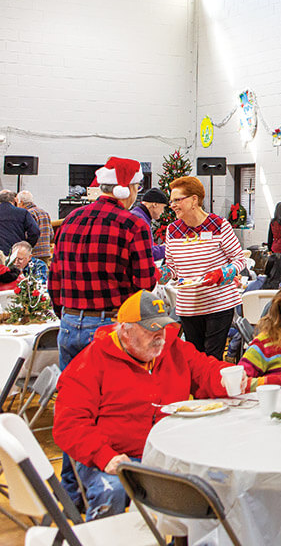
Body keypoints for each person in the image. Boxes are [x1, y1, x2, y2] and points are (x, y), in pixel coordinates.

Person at [53, 289, 246, 520]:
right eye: (151, 329)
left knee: (222, 483)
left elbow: (206, 371)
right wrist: (105, 456)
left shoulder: (173, 349)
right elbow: (69, 424)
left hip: (171, 452)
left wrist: (229, 376)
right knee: (111, 491)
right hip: (115, 456)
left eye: (163, 327)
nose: (160, 336)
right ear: (125, 330)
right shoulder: (89, 363)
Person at [48, 156, 158, 506]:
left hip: (70, 322)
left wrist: (67, 314)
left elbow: (55, 278)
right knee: (107, 413)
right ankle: (103, 493)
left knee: (73, 410)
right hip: (110, 326)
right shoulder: (132, 225)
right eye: (137, 188)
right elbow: (143, 286)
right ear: (126, 190)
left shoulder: (70, 220)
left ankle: (71, 488)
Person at [162, 176, 246, 359]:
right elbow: (172, 267)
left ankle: (213, 388)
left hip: (218, 303)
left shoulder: (219, 225)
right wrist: (159, 274)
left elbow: (240, 260)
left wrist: (221, 274)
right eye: (171, 201)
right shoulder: (172, 231)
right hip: (188, 306)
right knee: (194, 358)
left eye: (177, 200)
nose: (173, 205)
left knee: (212, 358)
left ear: (194, 200)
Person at [0, 190, 39, 255]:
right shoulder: (22, 213)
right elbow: (35, 231)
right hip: (14, 252)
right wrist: (27, 246)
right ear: (14, 200)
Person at [129, 187, 169, 261]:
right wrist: (167, 249)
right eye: (163, 207)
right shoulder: (141, 221)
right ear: (155, 204)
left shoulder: (137, 215)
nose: (163, 212)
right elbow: (147, 253)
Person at [17, 191, 53, 263]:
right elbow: (51, 234)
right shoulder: (44, 212)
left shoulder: (27, 214)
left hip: (34, 252)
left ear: (21, 202)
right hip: (45, 252)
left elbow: (29, 233)